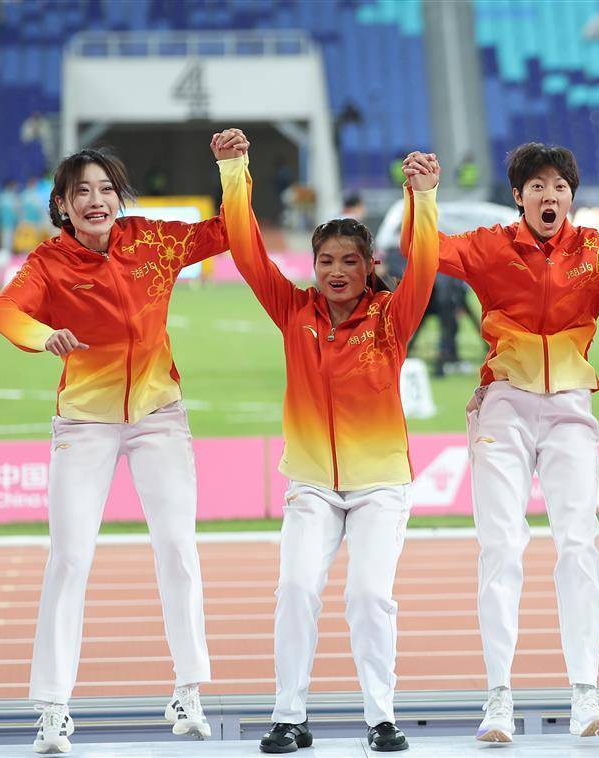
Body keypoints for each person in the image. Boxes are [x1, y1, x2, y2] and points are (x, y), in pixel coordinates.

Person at [407, 141, 599, 743]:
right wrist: (423, 196)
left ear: (571, 196)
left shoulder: (597, 250)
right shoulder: (490, 245)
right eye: (538, 187)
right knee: (500, 548)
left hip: (571, 411)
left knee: (579, 545)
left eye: (560, 187)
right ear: (518, 196)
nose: (550, 196)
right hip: (503, 408)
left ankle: (585, 695)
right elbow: (425, 254)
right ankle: (498, 699)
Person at [0, 139, 234, 754]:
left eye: (106, 190)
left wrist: (234, 168)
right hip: (84, 424)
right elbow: (3, 310)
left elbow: (229, 232)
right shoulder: (49, 262)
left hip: (159, 417)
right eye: (82, 193)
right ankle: (53, 708)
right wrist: (42, 335)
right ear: (62, 206)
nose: (96, 200)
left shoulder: (152, 241)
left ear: (119, 198)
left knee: (178, 549)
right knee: (69, 559)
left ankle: (188, 689)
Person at [216, 131, 439, 755]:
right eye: (326, 262)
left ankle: (381, 718)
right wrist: (234, 171)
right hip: (311, 483)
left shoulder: (392, 318)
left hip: (380, 486)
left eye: (349, 261)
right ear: (312, 267)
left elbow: (424, 264)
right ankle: (289, 716)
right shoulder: (294, 312)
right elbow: (247, 253)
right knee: (294, 590)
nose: (337, 272)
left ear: (369, 267)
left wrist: (423, 197)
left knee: (368, 597)